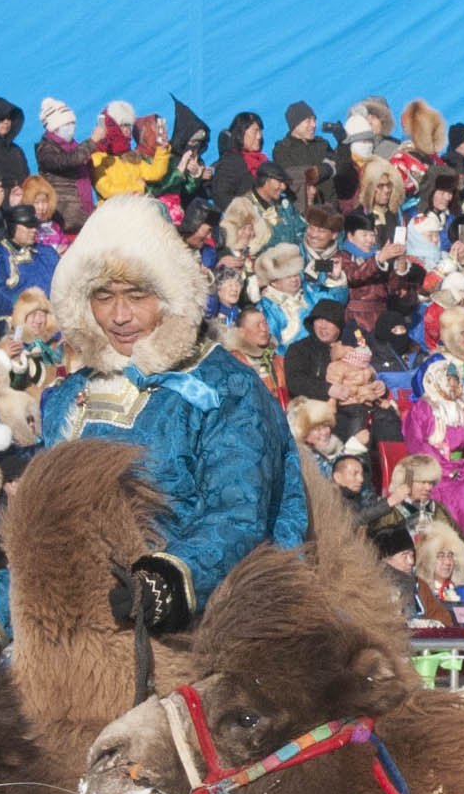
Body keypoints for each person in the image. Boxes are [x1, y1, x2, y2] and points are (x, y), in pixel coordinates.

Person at [36, 194, 308, 623]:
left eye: (136, 295)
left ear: (170, 296)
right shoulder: (69, 397)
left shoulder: (225, 386)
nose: (119, 315)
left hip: (203, 614)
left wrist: (164, 581)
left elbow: (240, 515)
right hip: (78, 612)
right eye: (103, 296)